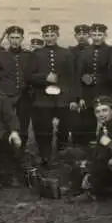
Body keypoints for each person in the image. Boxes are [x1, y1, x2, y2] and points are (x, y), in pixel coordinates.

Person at [30, 24, 80, 168]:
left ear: (57, 36)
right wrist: (45, 77)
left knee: (64, 129)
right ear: (43, 37)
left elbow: (73, 78)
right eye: (46, 36)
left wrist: (73, 98)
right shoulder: (37, 54)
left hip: (63, 98)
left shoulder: (66, 53)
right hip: (43, 99)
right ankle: (45, 157)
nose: (49, 38)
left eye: (52, 35)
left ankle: (62, 156)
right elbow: (29, 76)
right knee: (44, 129)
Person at [71, 95, 112, 201]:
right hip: (104, 168)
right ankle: (83, 187)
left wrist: (108, 143)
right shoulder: (103, 129)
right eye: (98, 112)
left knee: (105, 162)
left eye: (105, 110)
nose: (101, 115)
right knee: (76, 158)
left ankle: (93, 191)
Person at [0, 25, 33, 150]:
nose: (15, 40)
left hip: (24, 95)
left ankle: (21, 153)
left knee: (23, 126)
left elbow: (32, 73)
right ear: (8, 39)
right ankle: (6, 152)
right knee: (5, 125)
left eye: (17, 38)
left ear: (22, 39)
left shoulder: (29, 55)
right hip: (6, 96)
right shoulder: (0, 55)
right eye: (12, 38)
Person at [75, 23, 112, 146]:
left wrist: (95, 78)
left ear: (105, 35)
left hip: (105, 91)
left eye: (100, 34)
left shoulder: (111, 51)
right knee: (88, 122)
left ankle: (107, 148)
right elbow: (79, 74)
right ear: (91, 35)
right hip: (88, 93)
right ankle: (89, 150)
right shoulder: (85, 52)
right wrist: (80, 96)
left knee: (106, 121)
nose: (97, 37)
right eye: (94, 35)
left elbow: (111, 73)